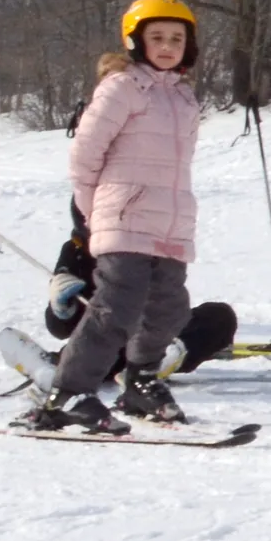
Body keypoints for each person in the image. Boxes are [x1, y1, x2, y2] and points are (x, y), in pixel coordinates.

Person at [34, 0, 202, 434]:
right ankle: (68, 392)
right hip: (122, 218)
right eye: (157, 37)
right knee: (117, 308)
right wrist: (97, 212)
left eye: (177, 38)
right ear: (135, 40)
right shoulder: (122, 87)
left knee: (170, 307)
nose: (167, 46)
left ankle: (140, 381)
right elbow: (84, 156)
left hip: (168, 223)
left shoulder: (184, 100)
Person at [39, 50, 240, 390]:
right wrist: (59, 307)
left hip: (153, 336)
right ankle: (83, 378)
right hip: (109, 340)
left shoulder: (147, 234)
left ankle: (164, 358)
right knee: (112, 322)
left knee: (212, 316)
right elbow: (61, 327)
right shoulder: (76, 250)